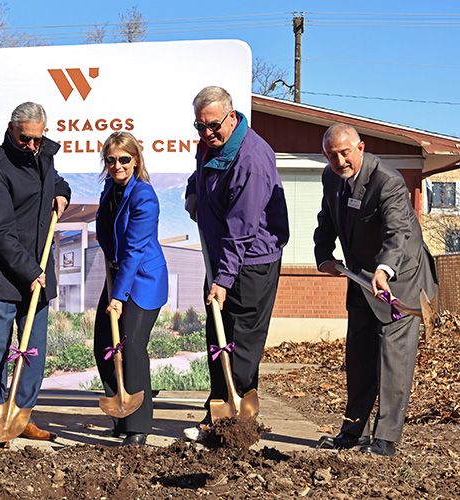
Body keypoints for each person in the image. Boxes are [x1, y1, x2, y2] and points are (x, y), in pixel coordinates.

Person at [314, 123, 437, 457]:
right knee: (359, 356)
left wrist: (384, 270)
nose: (340, 161)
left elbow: (398, 233)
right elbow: (326, 219)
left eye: (345, 152)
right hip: (360, 278)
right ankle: (352, 432)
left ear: (361, 147)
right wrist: (323, 254)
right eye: (332, 155)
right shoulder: (330, 178)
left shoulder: (388, 181)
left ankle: (385, 439)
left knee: (392, 359)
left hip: (400, 281)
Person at [183, 86, 289, 440]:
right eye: (200, 127)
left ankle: (233, 426)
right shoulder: (211, 145)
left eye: (213, 126)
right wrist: (193, 191)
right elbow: (200, 171)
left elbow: (242, 228)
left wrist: (224, 279)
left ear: (232, 116)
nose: (207, 133)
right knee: (217, 336)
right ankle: (218, 410)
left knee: (241, 344)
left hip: (251, 262)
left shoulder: (252, 160)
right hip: (221, 257)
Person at [0, 102, 70, 446]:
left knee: (33, 350)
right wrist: (29, 270)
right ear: (12, 129)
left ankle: (23, 414)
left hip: (38, 273)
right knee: (0, 347)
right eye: (26, 138)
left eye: (38, 138)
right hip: (5, 274)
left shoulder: (43, 154)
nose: (32, 146)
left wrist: (62, 193)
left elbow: (55, 181)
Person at [94, 132, 168, 446]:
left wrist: (118, 297)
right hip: (118, 275)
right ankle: (123, 407)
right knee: (103, 345)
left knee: (131, 346)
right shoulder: (110, 189)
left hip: (142, 280)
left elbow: (135, 251)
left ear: (135, 160)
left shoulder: (144, 196)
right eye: (110, 160)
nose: (117, 166)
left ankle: (139, 426)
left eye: (124, 159)